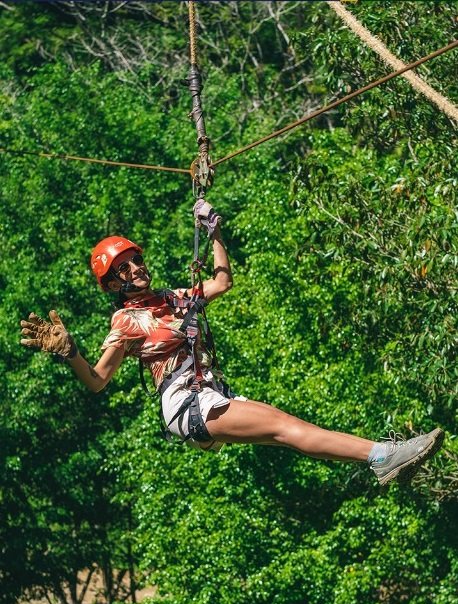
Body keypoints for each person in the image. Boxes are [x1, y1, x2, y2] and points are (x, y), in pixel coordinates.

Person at [20, 199, 444, 486]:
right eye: (124, 269)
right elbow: (96, 381)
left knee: (286, 433)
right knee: (284, 426)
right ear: (113, 284)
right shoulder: (128, 319)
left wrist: (215, 232)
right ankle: (383, 455)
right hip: (187, 404)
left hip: (208, 393)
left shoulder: (173, 298)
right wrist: (69, 351)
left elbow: (223, 281)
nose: (136, 270)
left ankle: (381, 459)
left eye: (136, 261)